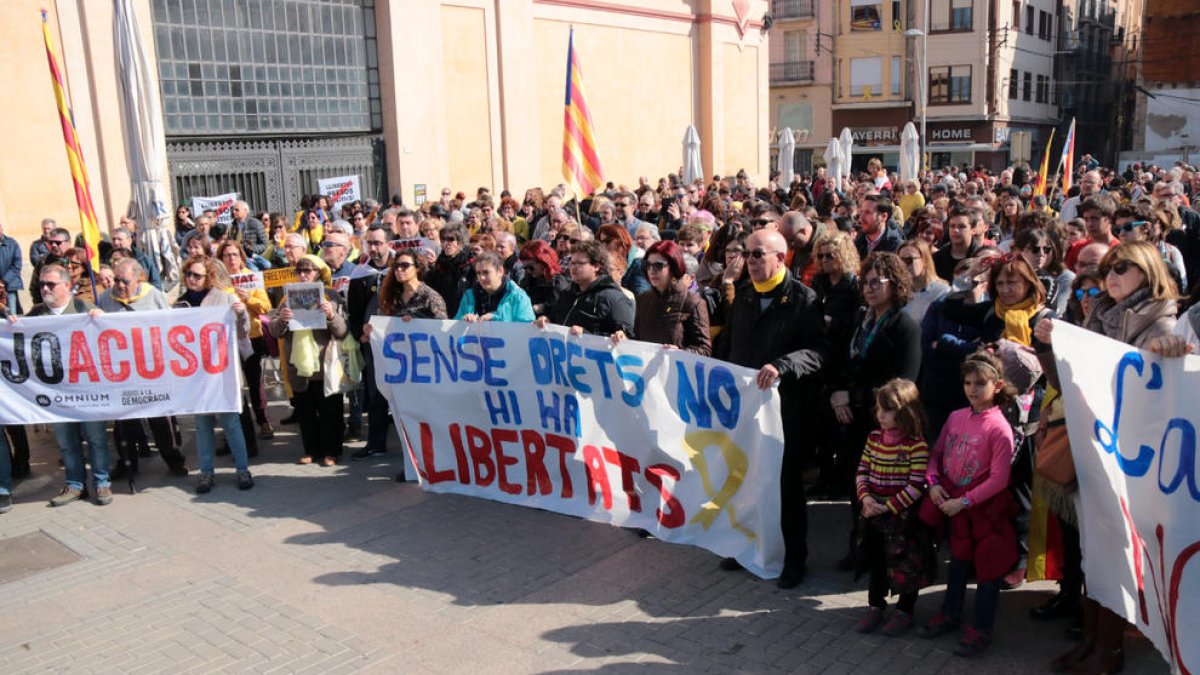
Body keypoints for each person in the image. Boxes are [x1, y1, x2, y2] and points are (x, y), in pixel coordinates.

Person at [1033, 241, 1179, 674]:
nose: (1112, 275)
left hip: (1132, 458)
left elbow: (1163, 391)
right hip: (1092, 444)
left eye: (1123, 267)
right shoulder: (1098, 315)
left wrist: (1173, 353)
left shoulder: (1163, 321)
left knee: (1117, 553)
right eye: (1110, 268)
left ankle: (1109, 650)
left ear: (1148, 269)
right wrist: (1048, 347)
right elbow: (1069, 380)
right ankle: (1094, 639)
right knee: (1095, 552)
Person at [713, 229, 827, 589]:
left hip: (785, 412)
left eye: (759, 254)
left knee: (785, 487)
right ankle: (744, 545)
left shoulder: (803, 299)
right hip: (744, 411)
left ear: (781, 258)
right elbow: (729, 345)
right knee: (743, 480)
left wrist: (783, 365)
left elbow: (818, 352)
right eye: (748, 254)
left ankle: (794, 558)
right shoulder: (745, 296)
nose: (751, 260)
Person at [920, 350, 1018, 657]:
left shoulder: (1000, 428)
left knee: (988, 568)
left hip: (984, 510)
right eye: (967, 382)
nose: (972, 389)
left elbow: (999, 479)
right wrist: (934, 484)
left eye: (980, 383)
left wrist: (964, 501)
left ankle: (982, 628)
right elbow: (936, 455)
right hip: (952, 503)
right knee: (958, 562)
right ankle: (950, 613)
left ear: (998, 385)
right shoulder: (955, 417)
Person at [23, 264, 114, 506]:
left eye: (50, 284)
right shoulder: (36, 315)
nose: (44, 288)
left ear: (66, 286)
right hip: (56, 394)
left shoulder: (85, 307)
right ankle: (75, 484)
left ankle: (102, 482)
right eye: (42, 284)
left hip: (87, 391)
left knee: (96, 438)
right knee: (66, 442)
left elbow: (110, 338)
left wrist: (102, 320)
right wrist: (12, 325)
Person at [853, 378, 935, 637]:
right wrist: (866, 499)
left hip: (902, 518)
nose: (881, 416)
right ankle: (875, 605)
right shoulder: (874, 438)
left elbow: (915, 486)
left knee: (906, 565)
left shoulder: (916, 444)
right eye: (879, 409)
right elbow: (862, 471)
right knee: (876, 561)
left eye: (887, 410)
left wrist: (887, 507)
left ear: (906, 412)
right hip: (874, 512)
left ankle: (904, 611)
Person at [98, 259, 190, 479]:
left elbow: (168, 327)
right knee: (124, 422)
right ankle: (127, 462)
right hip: (121, 372)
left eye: (124, 281)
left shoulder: (153, 296)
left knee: (160, 420)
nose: (119, 285)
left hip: (151, 370)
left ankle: (174, 460)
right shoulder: (104, 299)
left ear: (138, 279)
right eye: (116, 280)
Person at [173, 256, 255, 493]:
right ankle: (206, 473)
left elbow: (242, 332)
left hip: (222, 372)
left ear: (208, 276)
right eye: (188, 274)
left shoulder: (224, 297)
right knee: (203, 425)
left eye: (197, 275)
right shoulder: (180, 304)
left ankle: (242, 469)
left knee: (230, 422)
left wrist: (240, 314)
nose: (191, 279)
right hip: (195, 375)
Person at [270, 255, 349, 467]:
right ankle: (311, 450)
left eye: (308, 270)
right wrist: (283, 319)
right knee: (305, 410)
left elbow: (342, 330)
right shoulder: (288, 298)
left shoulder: (331, 296)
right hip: (299, 364)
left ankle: (331, 451)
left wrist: (332, 315)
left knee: (330, 410)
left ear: (319, 272)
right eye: (299, 271)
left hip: (325, 363)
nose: (303, 275)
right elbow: (274, 331)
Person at [216, 241, 274, 440]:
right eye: (226, 255)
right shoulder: (218, 281)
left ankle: (263, 420)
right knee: (231, 384)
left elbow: (266, 307)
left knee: (254, 381)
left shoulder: (251, 277)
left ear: (241, 257)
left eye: (234, 254)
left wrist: (249, 298)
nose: (231, 259)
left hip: (251, 337)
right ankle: (235, 426)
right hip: (226, 339)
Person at [613, 240, 711, 355]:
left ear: (674, 267)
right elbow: (637, 340)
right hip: (645, 370)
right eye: (648, 265)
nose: (652, 271)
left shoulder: (693, 302)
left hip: (675, 370)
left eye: (658, 266)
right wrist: (624, 339)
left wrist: (680, 353)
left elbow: (704, 349)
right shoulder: (643, 299)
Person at [539, 240, 634, 337]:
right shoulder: (567, 293)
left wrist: (586, 335)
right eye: (572, 263)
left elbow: (624, 339)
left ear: (596, 266)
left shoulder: (615, 299)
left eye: (580, 263)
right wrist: (547, 320)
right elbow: (555, 319)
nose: (573, 268)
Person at [455, 251, 535, 322]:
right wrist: (463, 321)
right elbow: (454, 328)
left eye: (486, 272)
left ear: (500, 271)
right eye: (478, 273)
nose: (481, 277)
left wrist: (496, 320)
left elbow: (526, 330)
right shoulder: (469, 296)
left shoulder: (518, 297)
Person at [1014, 229, 1074, 316]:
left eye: (1046, 249)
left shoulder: (1048, 281)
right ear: (1019, 251)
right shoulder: (1007, 273)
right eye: (1035, 249)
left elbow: (1045, 311)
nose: (1042, 254)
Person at [898, 239, 949, 324]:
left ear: (924, 260)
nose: (904, 265)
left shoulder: (942, 292)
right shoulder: (898, 291)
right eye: (900, 261)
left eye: (909, 260)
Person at [517, 240, 570, 318]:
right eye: (525, 268)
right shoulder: (527, 282)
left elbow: (561, 310)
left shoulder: (557, 283)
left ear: (544, 262)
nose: (528, 271)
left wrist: (544, 308)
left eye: (531, 267)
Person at [597, 224, 649, 295]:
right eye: (601, 242)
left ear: (621, 240)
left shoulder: (639, 261)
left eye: (607, 241)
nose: (603, 246)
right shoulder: (607, 261)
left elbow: (640, 294)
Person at [0, 218, 23, 314]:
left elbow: (17, 264)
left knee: (12, 315)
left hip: (10, 287)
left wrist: (3, 281)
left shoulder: (12, 243)